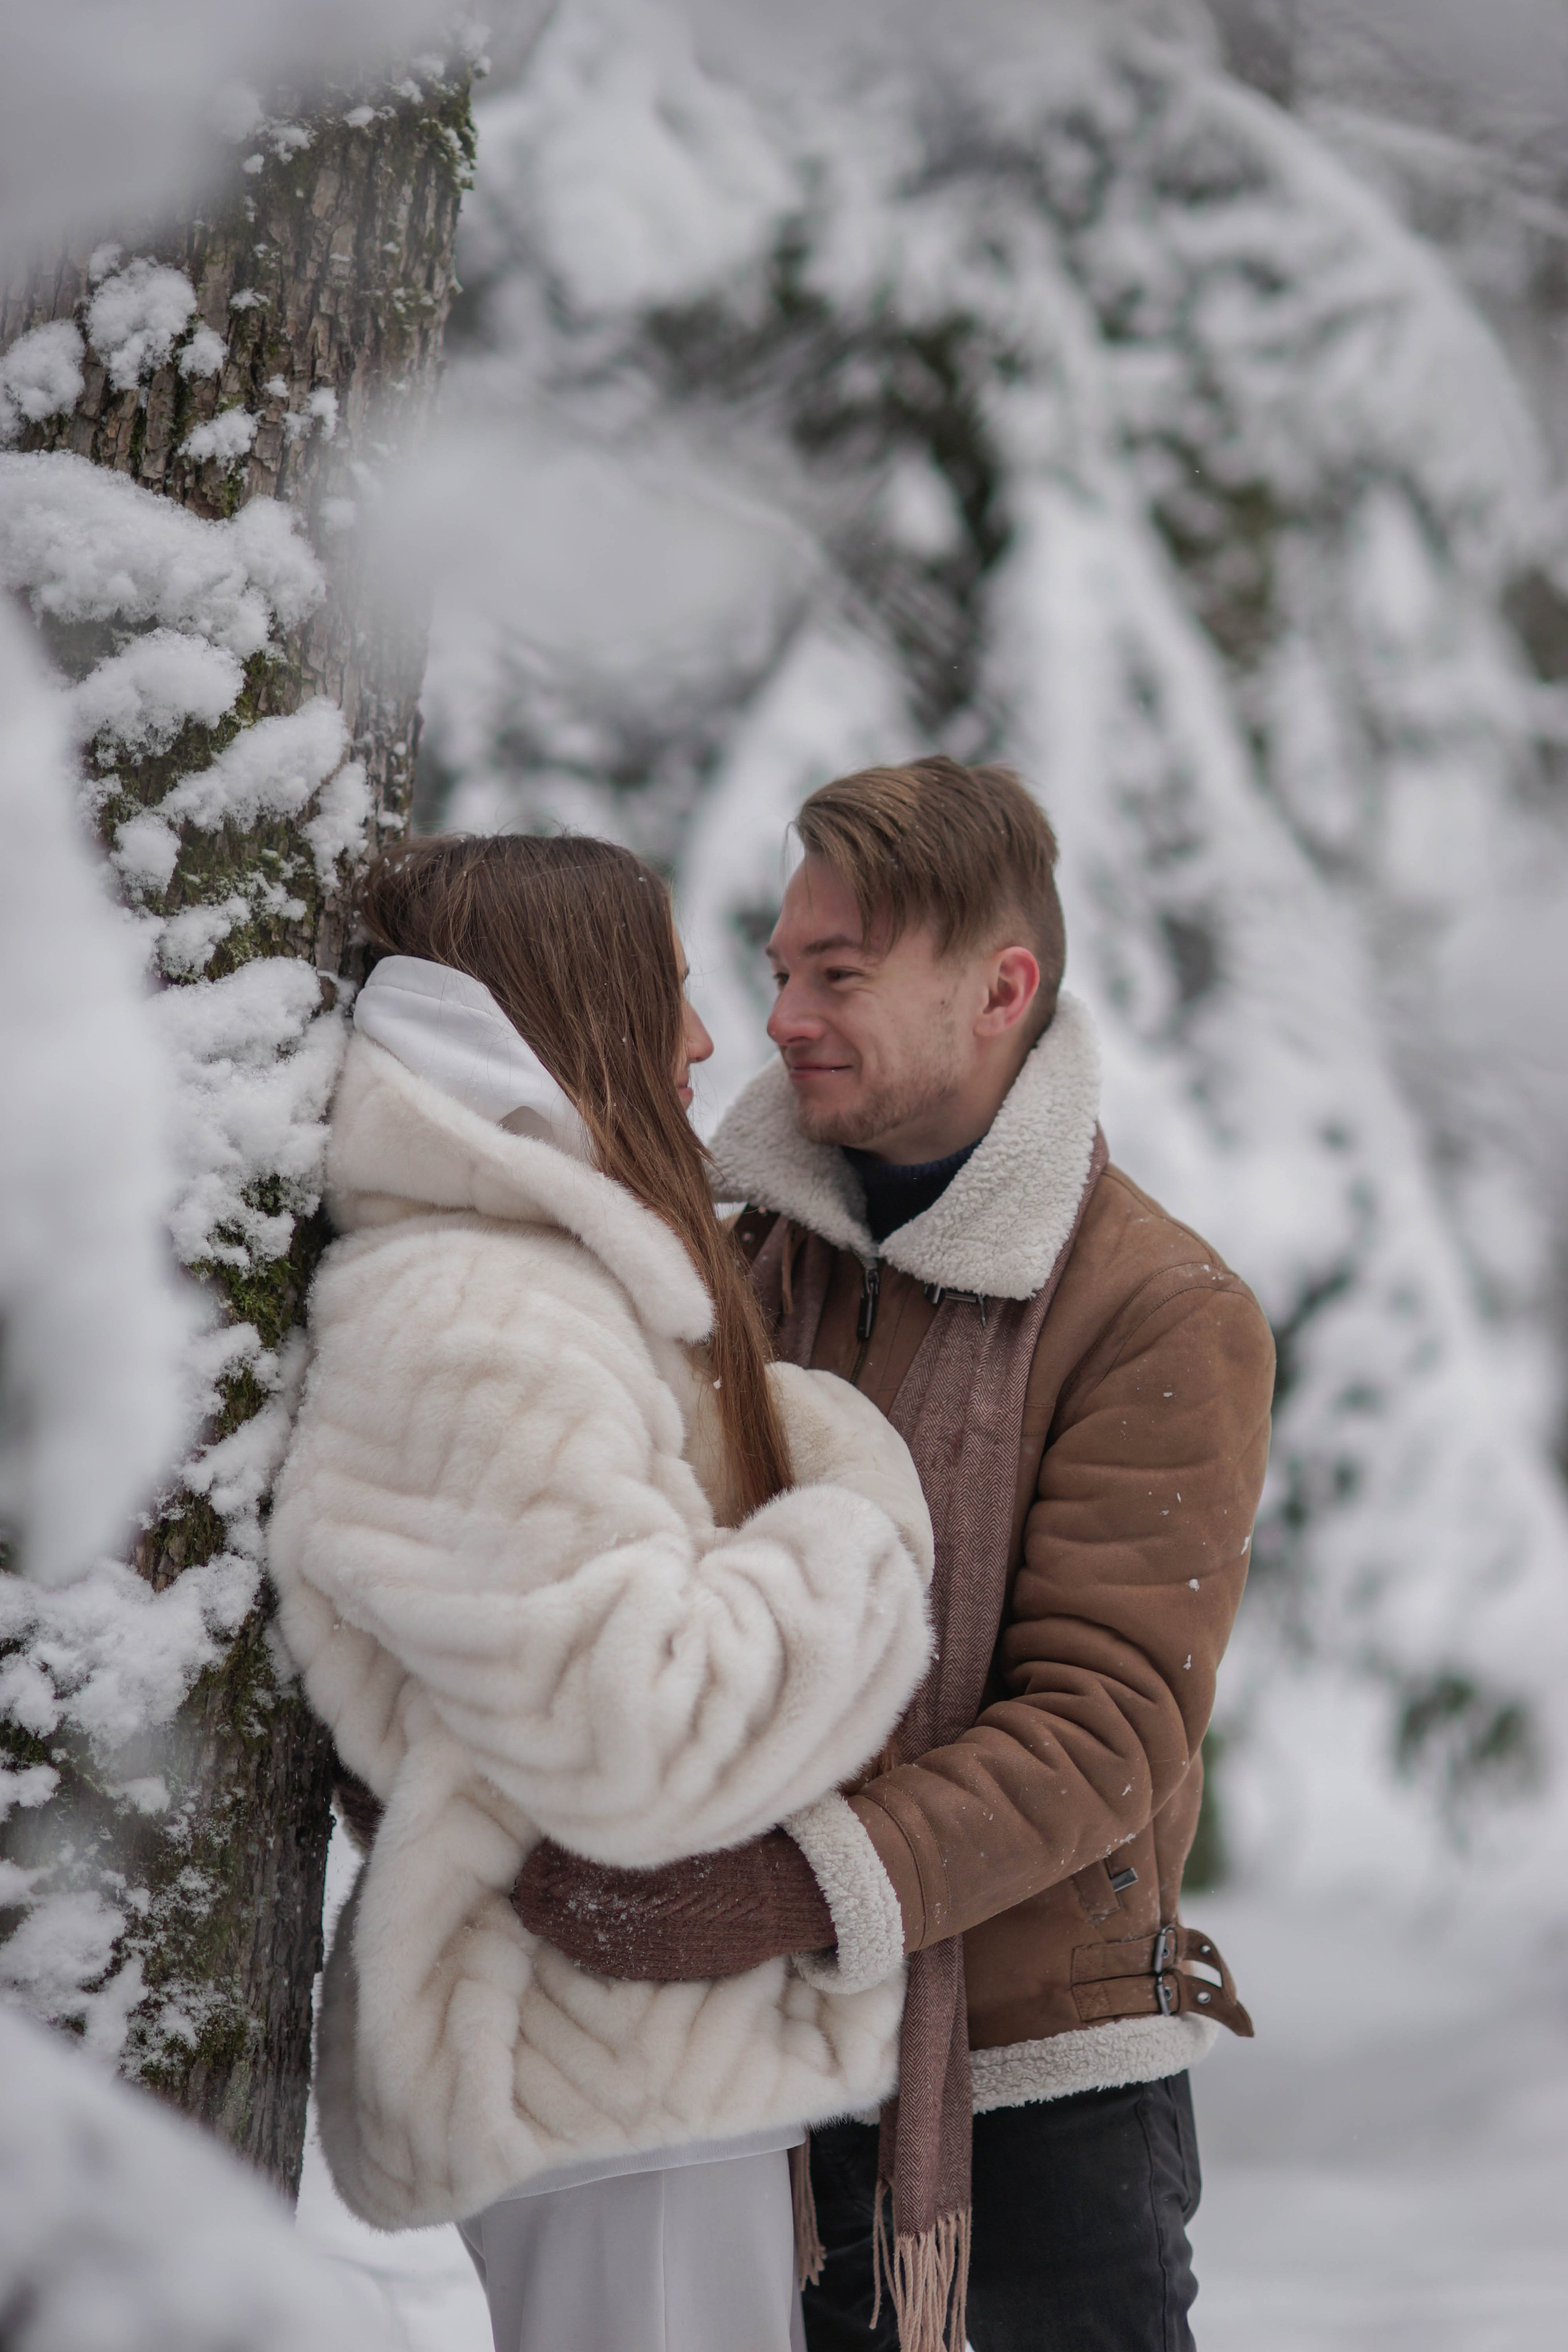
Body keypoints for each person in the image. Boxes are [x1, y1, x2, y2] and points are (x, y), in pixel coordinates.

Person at [517, 758, 1276, 2352]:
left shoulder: (1154, 1311)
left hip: (1032, 2102)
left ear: (1001, 991)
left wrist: (786, 1886)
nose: (782, 1013)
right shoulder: (735, 1269)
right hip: (770, 2087)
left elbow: (1105, 1729)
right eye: (785, 966)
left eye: (839, 975)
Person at [266, 832, 940, 2352]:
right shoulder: (484, 1320)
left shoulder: (528, 1284)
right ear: (567, 1018)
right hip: (599, 2071)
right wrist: (855, 1509)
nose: (705, 1042)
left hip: (626, 2062)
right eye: (671, 994)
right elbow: (635, 1724)